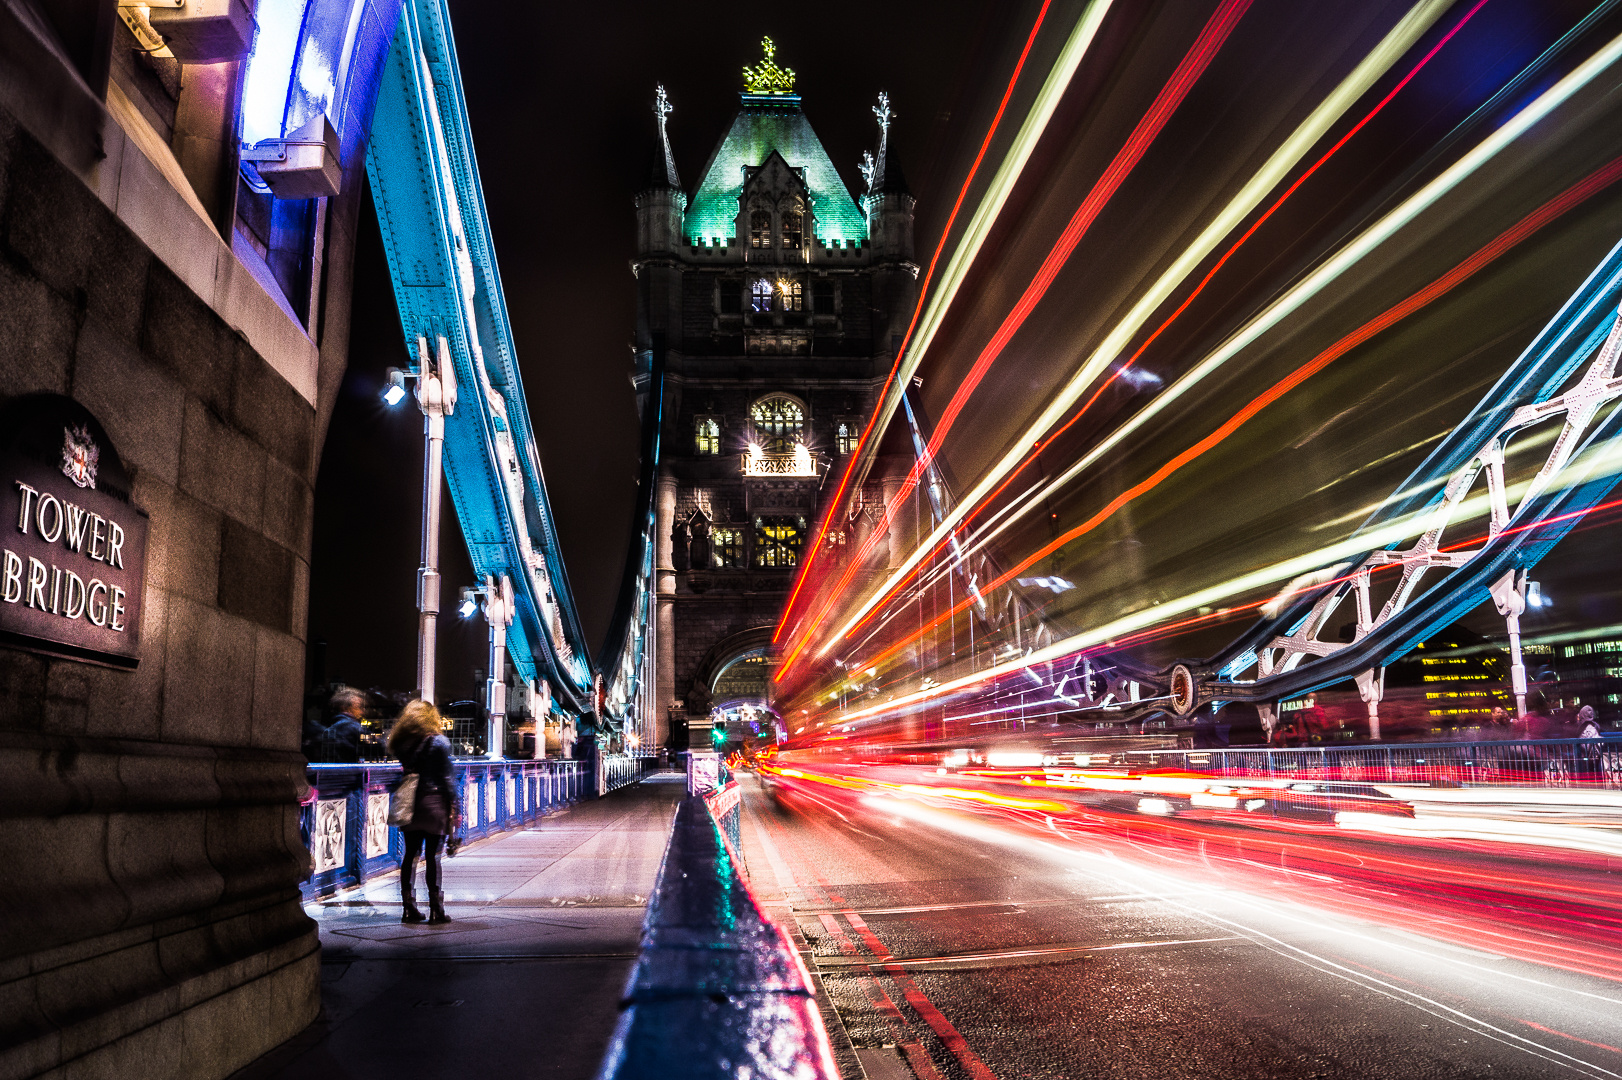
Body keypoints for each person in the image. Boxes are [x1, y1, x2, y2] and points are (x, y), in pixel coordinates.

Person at [387, 700, 458, 925]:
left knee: (410, 855)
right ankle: (436, 909)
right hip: (433, 802)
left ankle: (408, 908)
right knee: (433, 856)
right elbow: (447, 778)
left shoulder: (401, 743)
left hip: (410, 804)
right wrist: (454, 805)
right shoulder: (438, 742)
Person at [304, 687, 364, 763]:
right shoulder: (352, 727)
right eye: (359, 706)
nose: (362, 712)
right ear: (346, 707)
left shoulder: (322, 728)